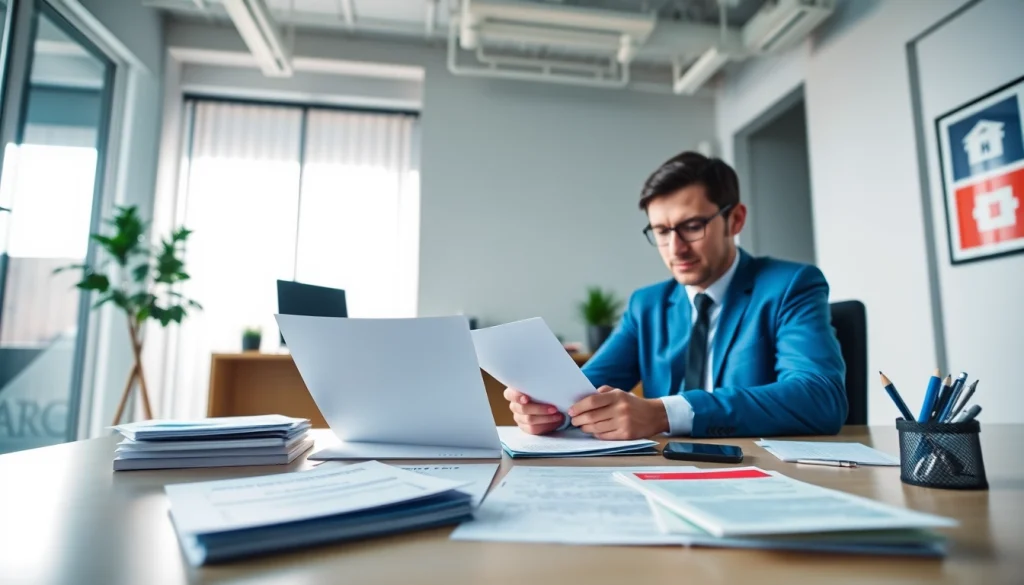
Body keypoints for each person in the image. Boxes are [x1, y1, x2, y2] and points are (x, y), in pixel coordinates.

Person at [504, 151, 847, 439]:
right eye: (661, 231)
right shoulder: (647, 305)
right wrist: (549, 411)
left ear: (736, 219)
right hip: (665, 473)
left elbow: (820, 397)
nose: (675, 248)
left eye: (692, 226)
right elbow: (580, 390)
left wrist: (663, 414)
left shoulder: (790, 285)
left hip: (762, 474)